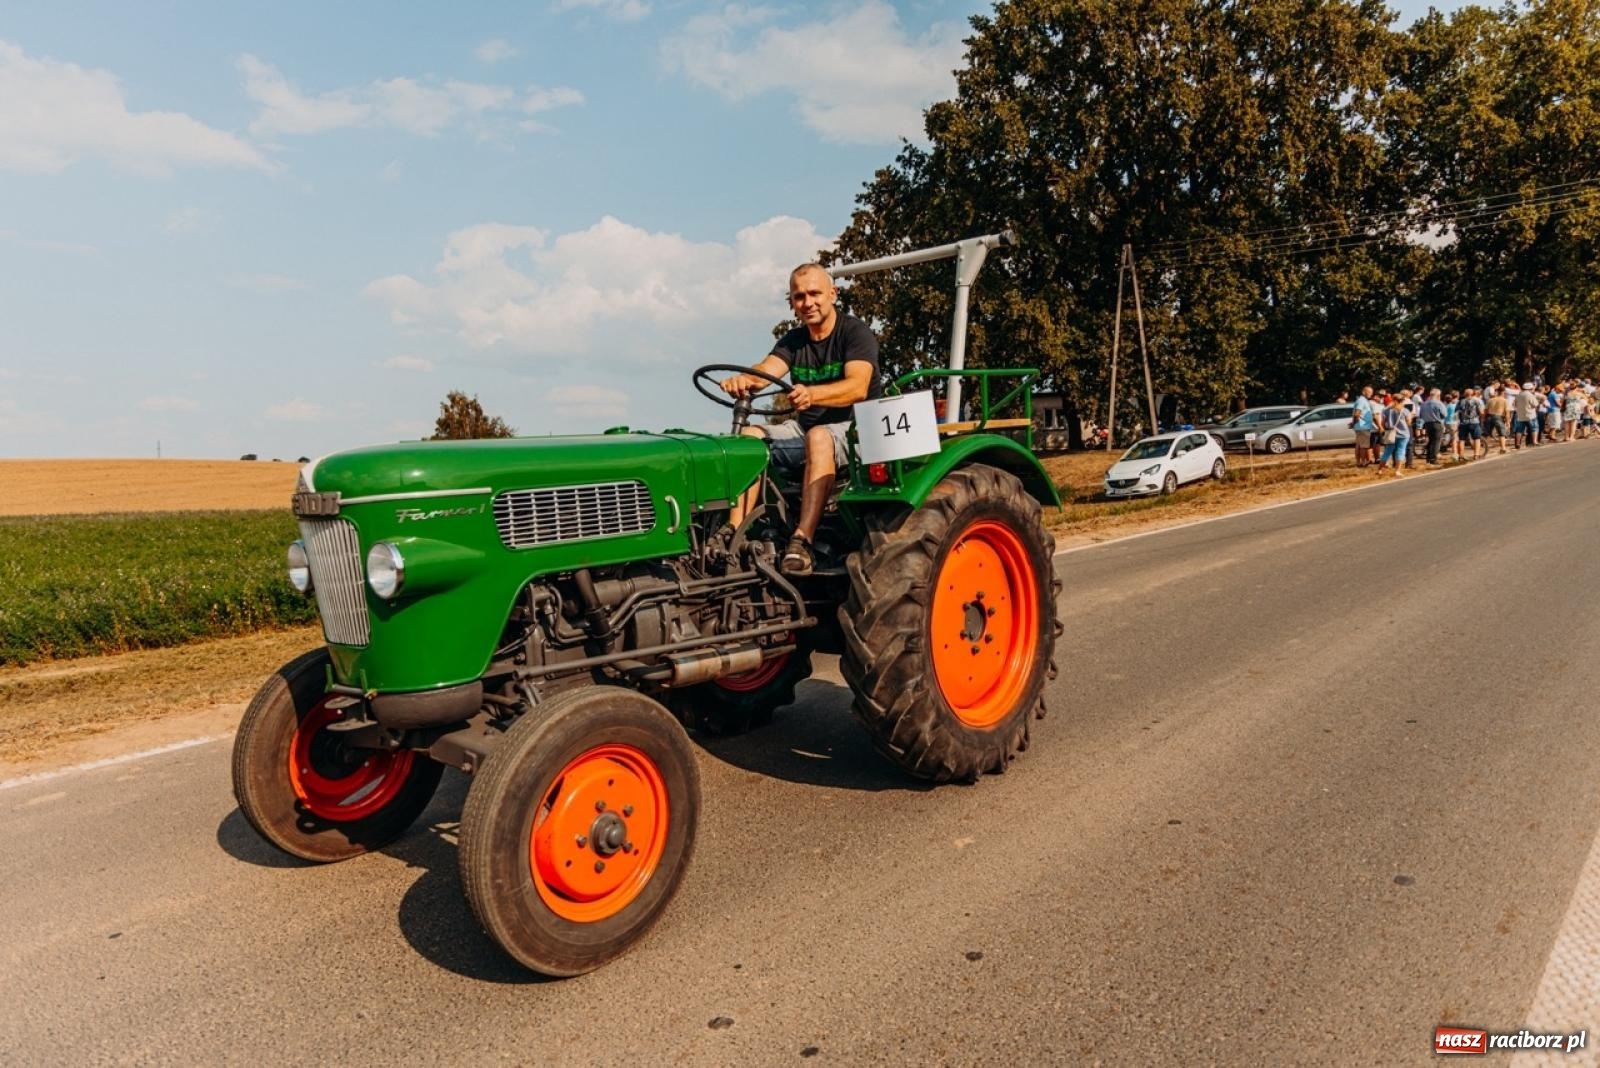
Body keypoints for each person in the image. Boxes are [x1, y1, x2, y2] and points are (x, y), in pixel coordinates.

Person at [719, 262, 880, 575]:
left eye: (815, 293)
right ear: (792, 302)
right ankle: (732, 536)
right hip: (805, 430)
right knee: (749, 437)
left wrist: (813, 395)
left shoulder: (855, 333)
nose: (808, 302)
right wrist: (742, 380)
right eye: (799, 296)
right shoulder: (794, 341)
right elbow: (766, 370)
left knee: (818, 435)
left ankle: (802, 540)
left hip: (858, 433)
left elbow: (858, 386)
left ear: (832, 294)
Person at [1376, 395, 1411, 476]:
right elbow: (1408, 422)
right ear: (1402, 401)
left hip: (1391, 433)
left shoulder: (1386, 410)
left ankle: (1380, 470)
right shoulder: (1405, 410)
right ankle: (1397, 471)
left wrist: (1384, 428)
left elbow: (1383, 422)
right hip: (1403, 433)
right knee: (1401, 451)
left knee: (1387, 451)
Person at [1351, 385, 1378, 467]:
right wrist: (1354, 422)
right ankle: (1363, 462)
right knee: (1364, 446)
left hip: (1361, 426)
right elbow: (1357, 413)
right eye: (1369, 392)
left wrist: (1354, 423)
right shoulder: (1362, 401)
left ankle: (1359, 462)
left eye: (1371, 392)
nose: (1371, 394)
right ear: (1363, 392)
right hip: (1363, 426)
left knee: (1359, 445)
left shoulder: (1362, 400)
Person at [1456, 387, 1484, 461]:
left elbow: (1457, 412)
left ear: (1464, 394)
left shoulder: (1460, 401)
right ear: (1473, 394)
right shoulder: (1478, 401)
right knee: (1477, 439)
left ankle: (1461, 456)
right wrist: (1481, 418)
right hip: (1474, 422)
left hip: (1463, 422)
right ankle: (1476, 455)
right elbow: (1481, 412)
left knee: (1462, 439)